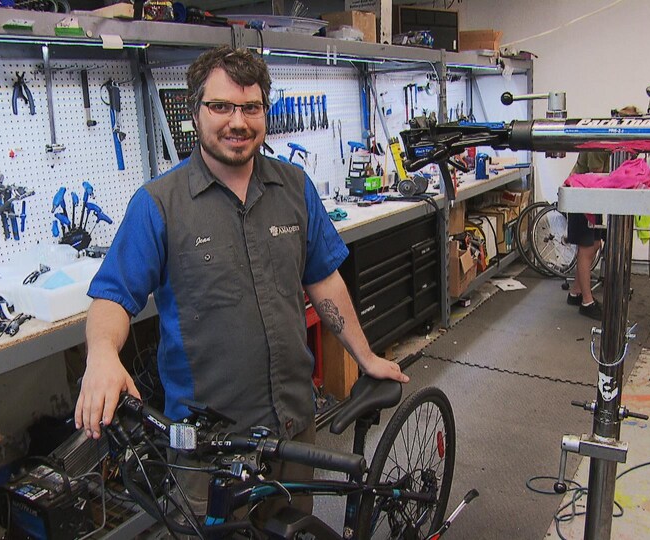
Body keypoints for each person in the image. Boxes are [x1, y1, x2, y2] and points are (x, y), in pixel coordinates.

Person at [74, 45, 408, 519]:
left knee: (292, 526)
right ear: (195, 113)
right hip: (209, 448)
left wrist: (365, 356)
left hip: (293, 425)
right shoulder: (158, 205)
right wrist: (103, 356)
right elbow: (112, 296)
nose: (238, 121)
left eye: (251, 108)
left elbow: (324, 281)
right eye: (221, 106)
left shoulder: (294, 187)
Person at [565, 151, 609, 320]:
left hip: (589, 195)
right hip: (580, 193)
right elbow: (597, 174)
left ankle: (576, 292)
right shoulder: (598, 143)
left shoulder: (607, 141)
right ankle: (587, 303)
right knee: (587, 247)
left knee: (595, 244)